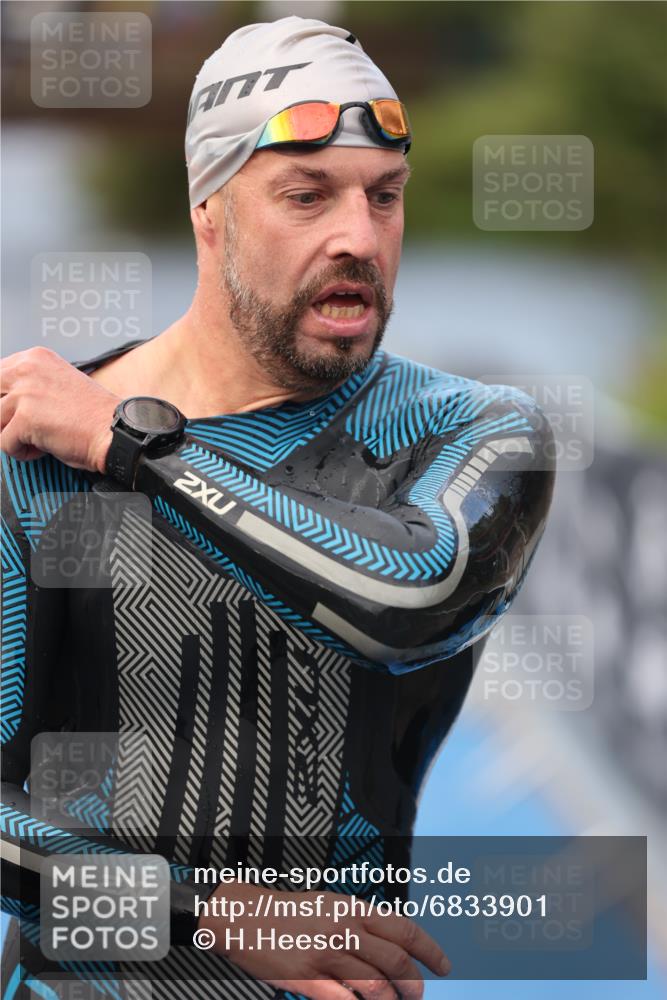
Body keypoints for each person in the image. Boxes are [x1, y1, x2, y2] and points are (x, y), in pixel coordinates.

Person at [0, 15, 555, 1000]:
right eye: (306, 196)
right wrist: (213, 910)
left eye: (383, 197)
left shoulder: (469, 434)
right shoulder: (30, 455)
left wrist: (136, 449)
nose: (357, 237)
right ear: (208, 207)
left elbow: (407, 603)